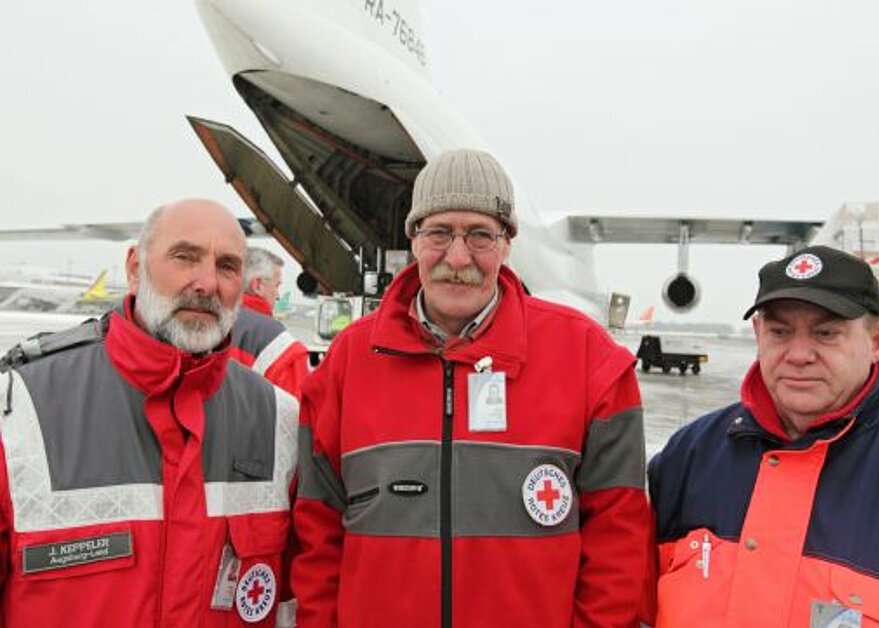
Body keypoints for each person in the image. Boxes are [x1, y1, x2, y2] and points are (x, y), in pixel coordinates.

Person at [292, 148, 657, 627]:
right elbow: (317, 534)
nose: (458, 257)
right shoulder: (348, 361)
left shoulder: (589, 358)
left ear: (507, 245)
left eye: (480, 235)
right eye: (439, 233)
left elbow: (619, 540)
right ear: (414, 241)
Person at [0, 199, 298, 627]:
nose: (207, 283)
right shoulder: (19, 410)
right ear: (135, 267)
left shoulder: (280, 422)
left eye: (228, 266)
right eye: (184, 257)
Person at [648, 245, 879, 626]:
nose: (798, 354)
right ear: (759, 333)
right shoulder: (689, 457)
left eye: (826, 333)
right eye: (780, 331)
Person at [230, 246, 309, 396]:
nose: (278, 295)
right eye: (277, 285)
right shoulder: (280, 344)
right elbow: (297, 411)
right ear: (257, 285)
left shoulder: (200, 327)